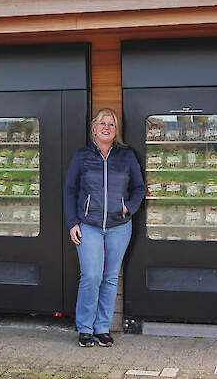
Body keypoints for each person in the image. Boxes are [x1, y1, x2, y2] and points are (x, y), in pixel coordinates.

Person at [63, 107, 145, 347]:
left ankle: (102, 328)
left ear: (116, 130)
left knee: (110, 278)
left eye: (111, 124)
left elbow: (139, 188)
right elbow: (69, 190)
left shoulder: (126, 156)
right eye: (102, 123)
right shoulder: (82, 156)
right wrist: (72, 222)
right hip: (89, 225)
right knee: (91, 276)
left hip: (119, 226)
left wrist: (128, 208)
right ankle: (85, 328)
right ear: (94, 127)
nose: (106, 128)